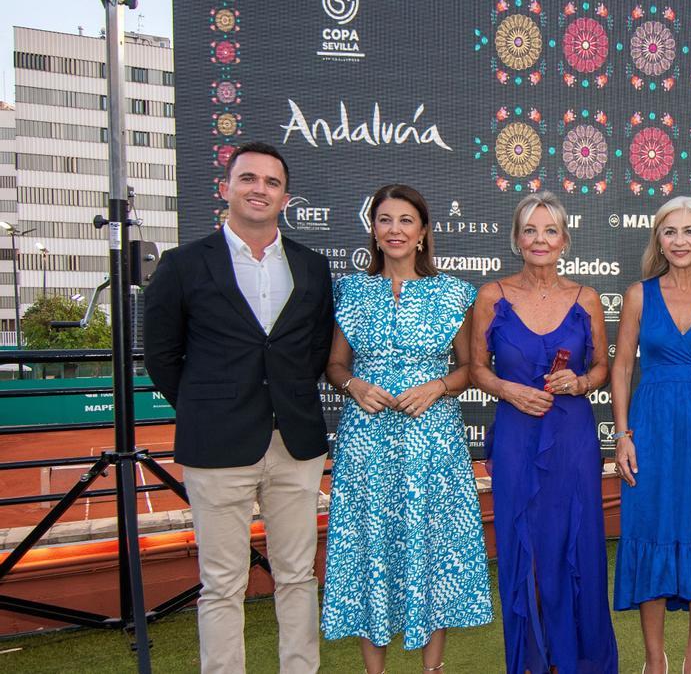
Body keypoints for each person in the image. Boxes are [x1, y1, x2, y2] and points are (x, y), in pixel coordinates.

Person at [143, 141, 333, 673]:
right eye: (248, 178)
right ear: (224, 188)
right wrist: (209, 408)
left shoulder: (312, 268)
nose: (259, 189)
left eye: (272, 183)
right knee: (222, 583)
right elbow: (161, 354)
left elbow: (314, 350)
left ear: (286, 197)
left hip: (294, 444)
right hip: (217, 445)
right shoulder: (183, 265)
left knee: (298, 574)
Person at [321, 184, 493, 674]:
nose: (394, 230)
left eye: (405, 221)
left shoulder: (454, 292)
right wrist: (353, 384)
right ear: (373, 230)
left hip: (432, 440)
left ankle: (430, 669)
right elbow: (335, 364)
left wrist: (436, 386)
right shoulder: (351, 289)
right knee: (367, 544)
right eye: (384, 220)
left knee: (431, 545)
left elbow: (468, 369)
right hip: (367, 439)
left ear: (422, 233)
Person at [469, 191, 618, 674]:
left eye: (550, 230)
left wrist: (579, 383)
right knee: (522, 546)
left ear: (565, 240)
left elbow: (603, 367)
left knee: (575, 545)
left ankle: (578, 660)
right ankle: (532, 659)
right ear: (517, 238)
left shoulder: (587, 298)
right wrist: (511, 392)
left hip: (571, 437)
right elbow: (475, 370)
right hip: (516, 436)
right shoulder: (492, 295)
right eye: (530, 229)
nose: (540, 239)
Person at [610, 196, 691, 674]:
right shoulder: (638, 295)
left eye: (690, 231)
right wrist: (623, 435)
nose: (680, 240)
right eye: (670, 232)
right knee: (651, 529)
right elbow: (622, 367)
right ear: (658, 241)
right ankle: (654, 660)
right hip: (652, 428)